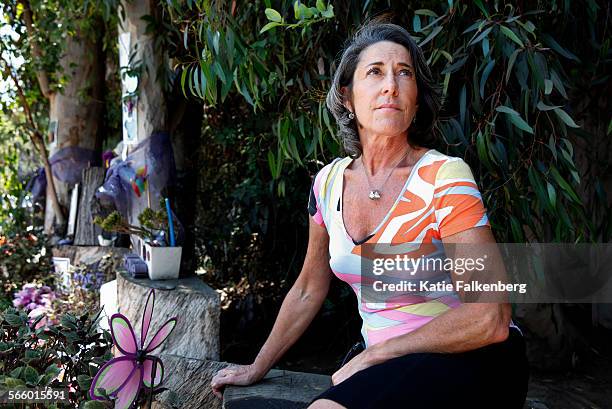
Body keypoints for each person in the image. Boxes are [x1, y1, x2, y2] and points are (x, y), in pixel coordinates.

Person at [211, 19, 529, 409]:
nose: (390, 85)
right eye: (375, 72)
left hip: (474, 359)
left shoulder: (444, 177)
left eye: (404, 73)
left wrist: (379, 352)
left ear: (416, 99)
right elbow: (309, 288)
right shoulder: (327, 184)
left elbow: (490, 317)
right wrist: (257, 366)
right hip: (392, 366)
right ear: (347, 97)